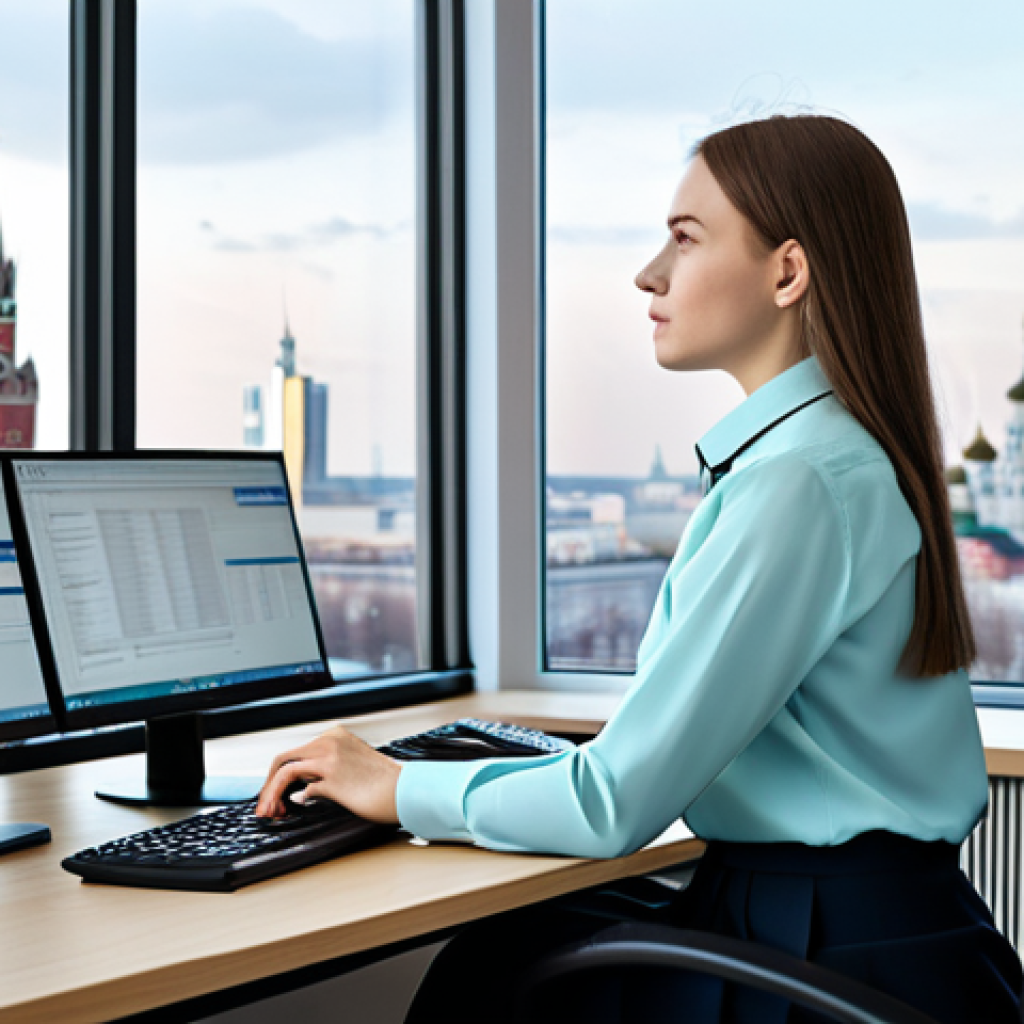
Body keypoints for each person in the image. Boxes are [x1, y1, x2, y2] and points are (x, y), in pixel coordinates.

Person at [256, 114, 1023, 1023]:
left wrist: (395, 784)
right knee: (508, 952)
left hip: (823, 946)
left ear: (787, 271)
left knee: (488, 979)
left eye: (684, 238)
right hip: (881, 932)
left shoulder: (799, 484)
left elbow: (613, 804)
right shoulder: (834, 456)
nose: (648, 273)